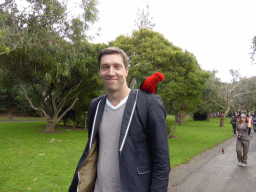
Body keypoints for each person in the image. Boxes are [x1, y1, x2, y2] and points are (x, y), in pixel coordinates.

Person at [69, 47, 170, 192]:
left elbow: (162, 163)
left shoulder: (148, 104)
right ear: (99, 72)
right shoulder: (95, 105)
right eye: (105, 67)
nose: (111, 72)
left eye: (117, 66)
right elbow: (93, 151)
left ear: (126, 71)